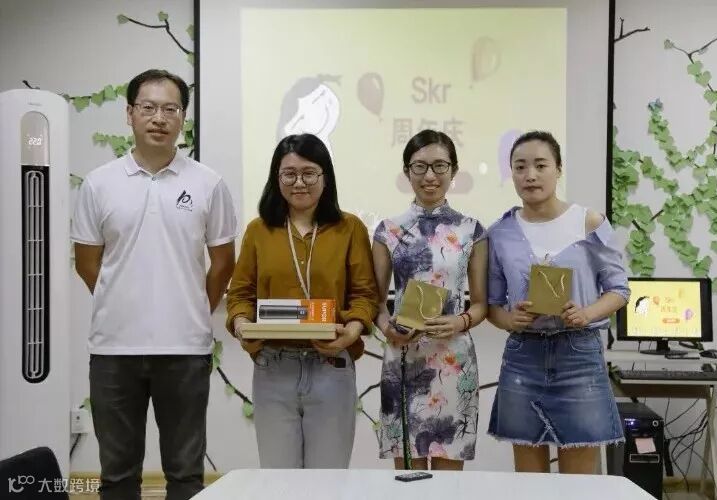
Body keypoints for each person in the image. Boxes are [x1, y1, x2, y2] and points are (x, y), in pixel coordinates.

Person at [72, 69, 237, 500]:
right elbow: (87, 264)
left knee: (185, 475)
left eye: (170, 109)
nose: (159, 118)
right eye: (148, 107)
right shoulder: (99, 183)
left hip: (185, 350)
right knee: (117, 476)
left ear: (183, 118)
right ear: (129, 113)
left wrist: (190, 307)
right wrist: (121, 300)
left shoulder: (208, 183)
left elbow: (223, 263)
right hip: (113, 350)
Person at [226, 133, 378, 469]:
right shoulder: (259, 230)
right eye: (289, 174)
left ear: (325, 177)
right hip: (273, 367)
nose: (299, 182)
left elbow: (365, 294)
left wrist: (352, 332)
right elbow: (240, 294)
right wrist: (241, 325)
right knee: (279, 480)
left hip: (331, 367)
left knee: (328, 480)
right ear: (276, 178)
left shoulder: (349, 228)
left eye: (309, 173)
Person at [486, 130, 630, 474]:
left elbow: (619, 289)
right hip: (523, 357)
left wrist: (587, 313)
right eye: (520, 167)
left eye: (540, 165)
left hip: (578, 355)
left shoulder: (591, 222)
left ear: (558, 169)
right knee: (530, 482)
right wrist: (510, 319)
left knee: (579, 483)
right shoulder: (499, 232)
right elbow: (492, 305)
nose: (530, 175)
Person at [372, 130, 488, 471]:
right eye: (420, 166)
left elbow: (481, 304)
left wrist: (460, 321)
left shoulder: (471, 230)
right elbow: (376, 304)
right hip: (403, 357)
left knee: (449, 483)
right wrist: (388, 328)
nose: (430, 176)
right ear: (407, 172)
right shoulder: (388, 230)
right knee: (407, 482)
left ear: (454, 171)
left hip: (453, 357)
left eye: (439, 166)